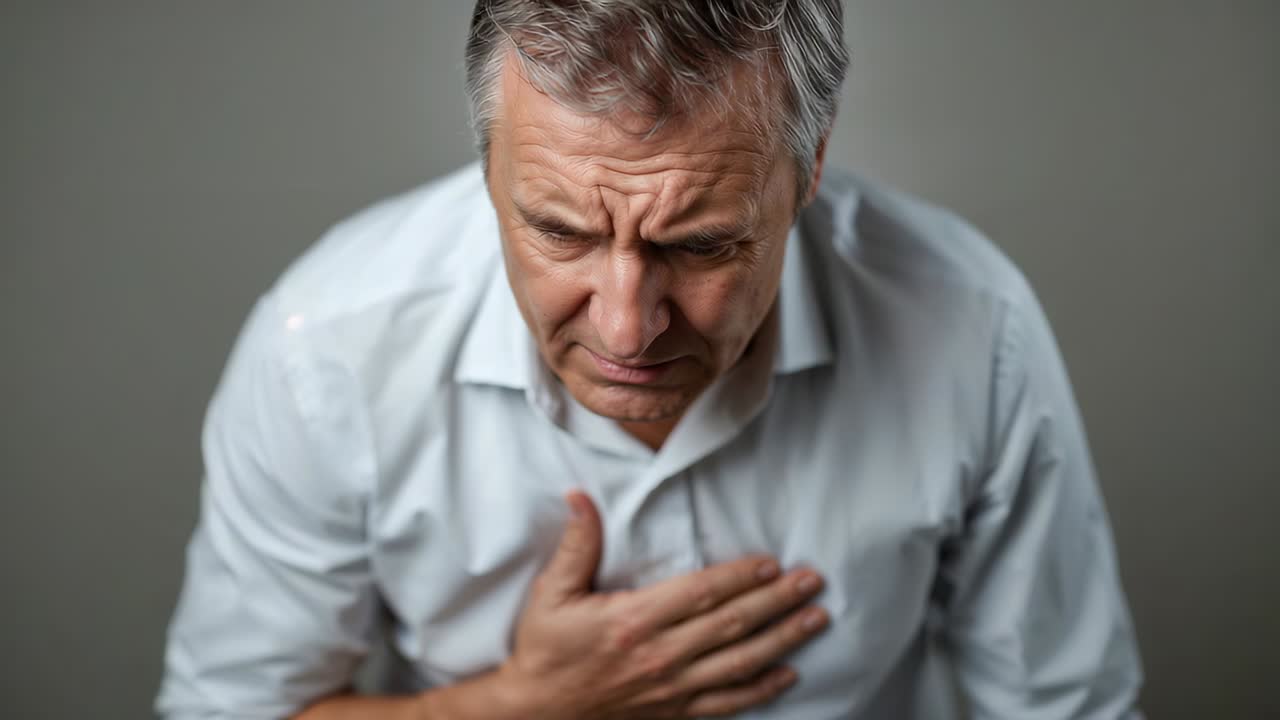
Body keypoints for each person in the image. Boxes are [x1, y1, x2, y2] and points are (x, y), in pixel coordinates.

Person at [156, 2, 1144, 718]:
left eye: (701, 244)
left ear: (808, 165)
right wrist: (519, 706)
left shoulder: (969, 326)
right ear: (487, 161)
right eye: (559, 231)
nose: (627, 331)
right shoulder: (328, 349)